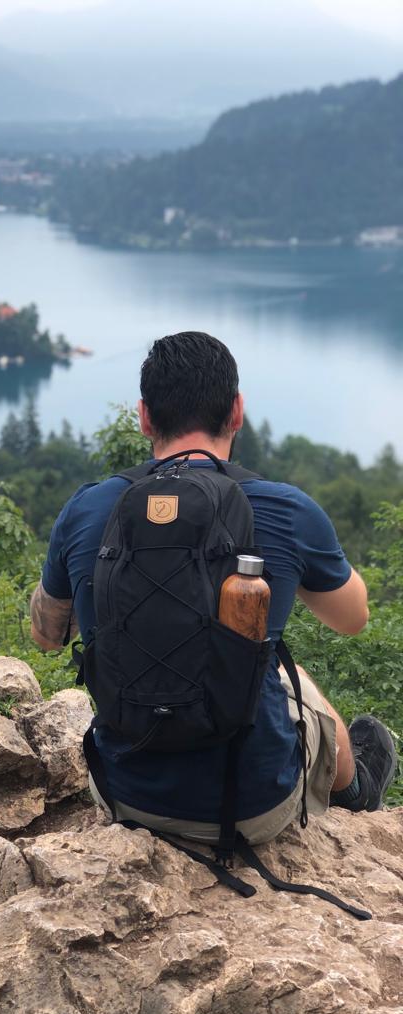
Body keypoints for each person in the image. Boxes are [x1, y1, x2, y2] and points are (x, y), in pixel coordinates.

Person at [30, 331, 397, 844]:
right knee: (275, 664)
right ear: (237, 411)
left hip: (127, 798)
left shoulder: (87, 508)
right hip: (254, 807)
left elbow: (47, 634)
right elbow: (353, 618)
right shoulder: (286, 509)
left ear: (144, 417)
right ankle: (355, 788)